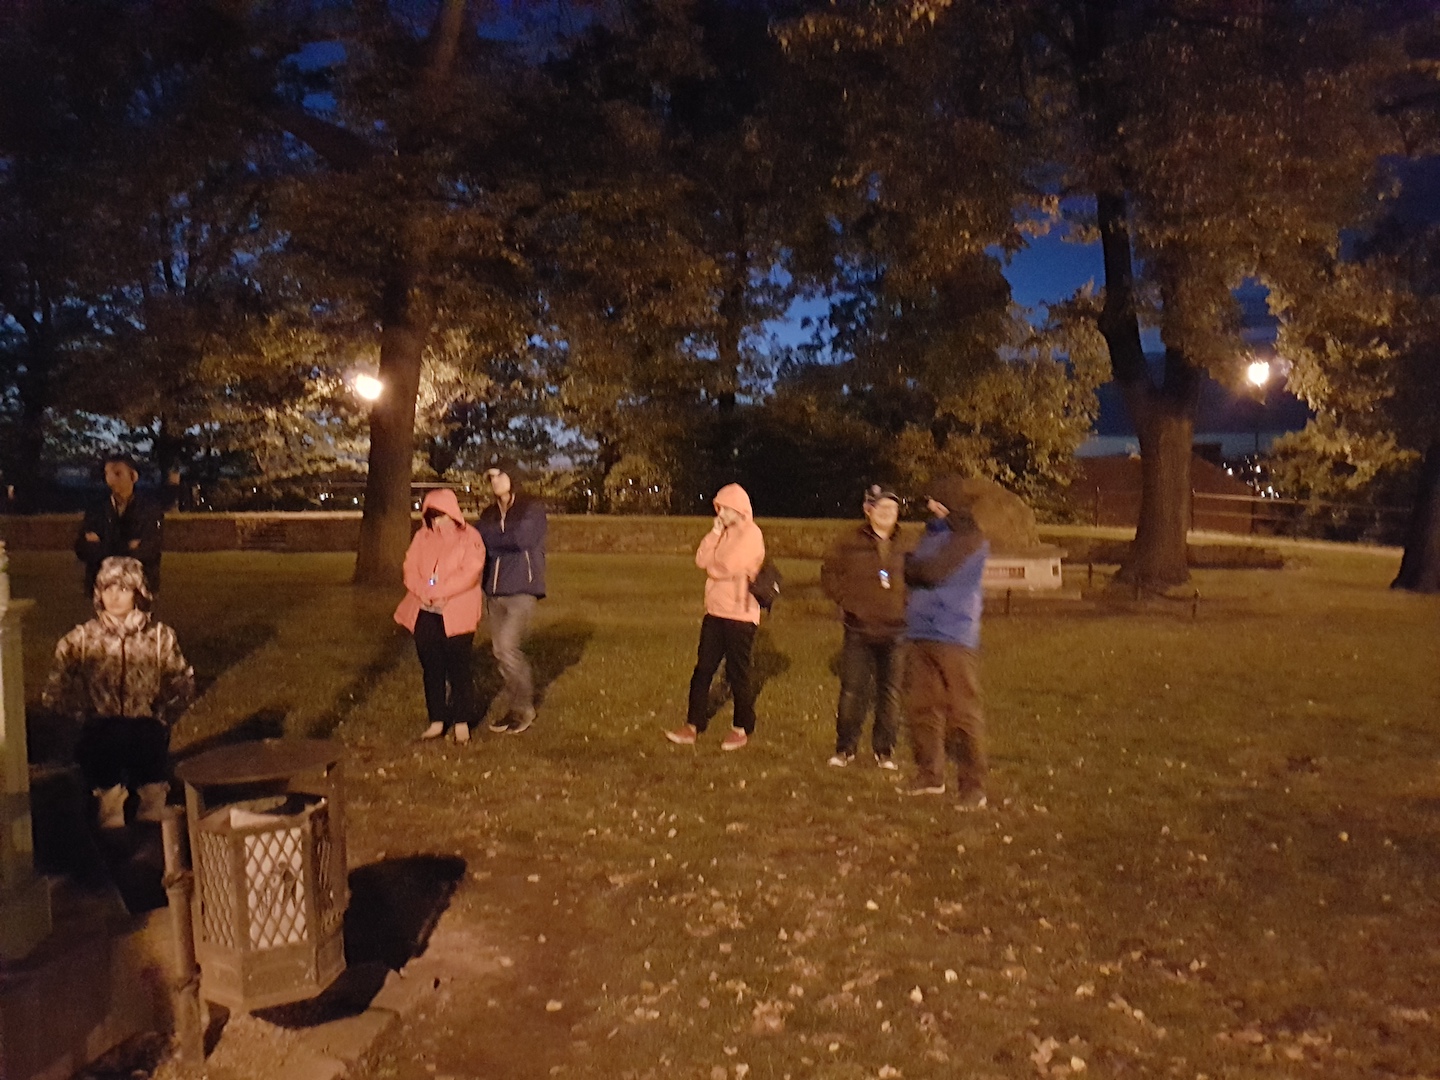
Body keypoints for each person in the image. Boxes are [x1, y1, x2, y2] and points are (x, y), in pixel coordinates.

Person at [42, 556, 195, 829]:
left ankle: (151, 817)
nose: (114, 596)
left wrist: (162, 715)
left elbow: (182, 681)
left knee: (148, 745)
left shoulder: (160, 637)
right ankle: (110, 815)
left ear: (138, 593)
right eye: (107, 588)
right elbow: (55, 688)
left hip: (145, 726)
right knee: (105, 747)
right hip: (102, 727)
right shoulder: (83, 639)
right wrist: (82, 713)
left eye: (123, 589)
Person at [902, 475, 990, 807]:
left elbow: (932, 572)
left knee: (962, 712)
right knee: (923, 707)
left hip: (954, 633)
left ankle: (973, 786)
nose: (929, 506)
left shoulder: (971, 539)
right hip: (920, 630)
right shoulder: (931, 534)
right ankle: (930, 775)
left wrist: (910, 566)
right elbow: (914, 570)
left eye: (935, 500)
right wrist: (911, 568)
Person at [667, 483, 766, 751]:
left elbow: (729, 565)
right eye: (719, 508)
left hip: (741, 615)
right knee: (703, 670)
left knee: (737, 673)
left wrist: (714, 567)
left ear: (738, 509)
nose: (720, 513)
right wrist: (714, 534)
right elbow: (702, 560)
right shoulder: (721, 533)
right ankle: (692, 724)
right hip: (715, 611)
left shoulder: (752, 534)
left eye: (725, 508)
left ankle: (741, 727)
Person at [820, 484, 909, 769]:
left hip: (897, 631)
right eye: (881, 507)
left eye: (892, 507)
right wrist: (848, 602)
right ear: (868, 510)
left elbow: (920, 578)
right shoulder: (849, 541)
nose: (887, 513)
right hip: (859, 629)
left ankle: (884, 751)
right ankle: (845, 748)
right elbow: (829, 573)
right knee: (852, 691)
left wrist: (908, 605)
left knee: (890, 693)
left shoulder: (908, 543)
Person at [395, 489, 486, 744]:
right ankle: (437, 719)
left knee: (459, 668)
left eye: (441, 515)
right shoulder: (422, 537)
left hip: (457, 612)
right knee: (431, 667)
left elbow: (469, 573)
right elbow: (410, 567)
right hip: (425, 612)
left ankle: (462, 721)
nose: (437, 521)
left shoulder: (470, 538)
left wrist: (437, 592)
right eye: (432, 516)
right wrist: (423, 591)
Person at [476, 458, 547, 734]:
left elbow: (522, 539)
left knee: (507, 647)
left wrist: (494, 539)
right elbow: (480, 539)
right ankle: (515, 705)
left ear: (513, 477)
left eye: (500, 475)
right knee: (499, 651)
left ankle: (524, 708)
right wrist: (498, 538)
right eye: (491, 477)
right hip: (495, 591)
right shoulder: (489, 513)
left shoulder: (532, 508)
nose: (495, 481)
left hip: (521, 589)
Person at [75, 453, 164, 596]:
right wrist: (127, 547)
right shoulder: (96, 508)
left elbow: (149, 549)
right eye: (107, 474)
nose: (111, 479)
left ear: (133, 476)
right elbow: (82, 549)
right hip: (102, 587)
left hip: (138, 586)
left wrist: (103, 547)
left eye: (118, 474)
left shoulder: (150, 509)